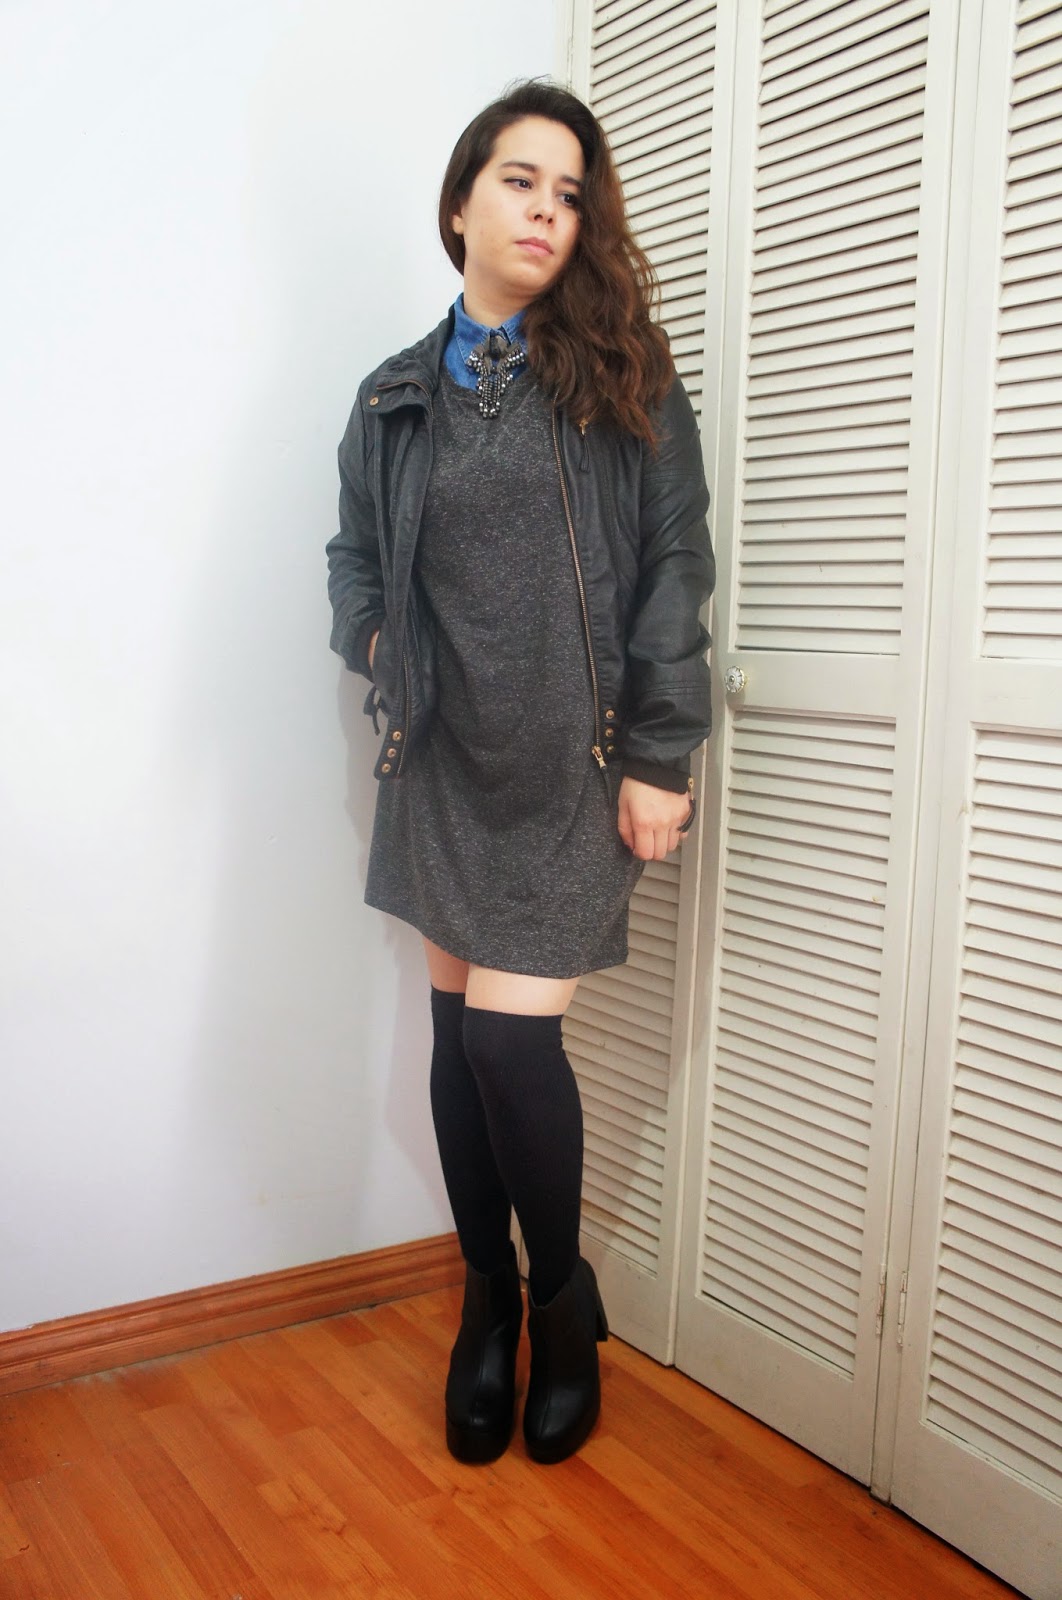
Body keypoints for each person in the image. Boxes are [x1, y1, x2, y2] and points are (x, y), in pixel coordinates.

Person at [325, 78, 714, 1467]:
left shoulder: (623, 375)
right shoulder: (392, 396)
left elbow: (675, 566)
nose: (546, 211)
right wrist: (377, 638)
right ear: (458, 204)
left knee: (507, 1044)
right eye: (518, 181)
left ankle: (560, 1302)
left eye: (569, 194)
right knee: (456, 1042)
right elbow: (353, 559)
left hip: (575, 763)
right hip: (444, 758)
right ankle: (483, 1301)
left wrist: (661, 748)